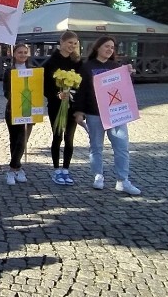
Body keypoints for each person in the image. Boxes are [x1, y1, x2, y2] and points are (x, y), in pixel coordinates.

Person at [73, 36, 141, 195]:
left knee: (122, 147)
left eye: (112, 47)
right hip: (94, 113)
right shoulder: (86, 67)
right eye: (107, 46)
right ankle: (98, 176)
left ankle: (122, 180)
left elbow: (123, 89)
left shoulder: (116, 67)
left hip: (115, 114)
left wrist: (129, 74)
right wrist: (79, 111)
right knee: (96, 147)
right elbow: (81, 92)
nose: (110, 49)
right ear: (97, 47)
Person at [42, 30, 82, 185]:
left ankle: (66, 169)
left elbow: (82, 83)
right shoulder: (51, 62)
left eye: (74, 43)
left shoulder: (77, 62)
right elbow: (44, 85)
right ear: (62, 42)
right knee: (57, 136)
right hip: (56, 105)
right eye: (69, 42)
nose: (72, 46)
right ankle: (56, 170)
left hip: (72, 104)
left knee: (69, 138)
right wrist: (55, 95)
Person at [3, 44, 35, 186]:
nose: (22, 55)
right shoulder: (9, 71)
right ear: (14, 54)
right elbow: (5, 92)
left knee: (23, 140)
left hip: (30, 110)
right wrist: (16, 95)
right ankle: (18, 168)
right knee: (14, 140)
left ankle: (11, 169)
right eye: (20, 52)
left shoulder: (34, 71)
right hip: (13, 109)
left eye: (25, 52)